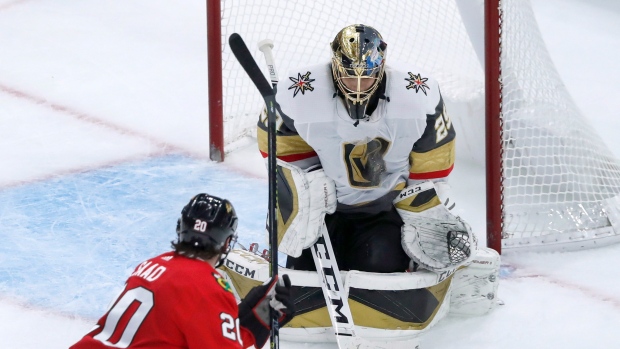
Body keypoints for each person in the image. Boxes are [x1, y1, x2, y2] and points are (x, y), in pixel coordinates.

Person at [258, 24, 476, 274]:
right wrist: (305, 190)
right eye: (350, 75)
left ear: (381, 67)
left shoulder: (417, 95)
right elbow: (277, 149)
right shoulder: (297, 93)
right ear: (335, 67)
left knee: (379, 266)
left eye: (367, 76)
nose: (358, 86)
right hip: (324, 208)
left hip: (386, 211)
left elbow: (434, 160)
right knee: (304, 273)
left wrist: (423, 213)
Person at [70, 193, 295, 349]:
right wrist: (259, 321)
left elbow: (172, 333)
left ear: (181, 229)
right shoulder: (207, 286)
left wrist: (249, 319)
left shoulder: (151, 264)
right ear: (226, 244)